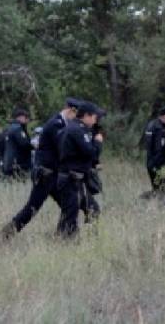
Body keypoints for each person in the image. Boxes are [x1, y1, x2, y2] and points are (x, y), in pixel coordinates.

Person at [0, 98, 80, 242]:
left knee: (70, 205)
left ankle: (66, 236)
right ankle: (4, 236)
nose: (76, 119)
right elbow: (63, 148)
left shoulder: (62, 123)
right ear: (70, 110)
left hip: (54, 175)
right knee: (32, 209)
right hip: (45, 175)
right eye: (76, 115)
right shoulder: (56, 124)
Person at [53, 101, 103, 238]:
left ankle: (90, 239)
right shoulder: (77, 130)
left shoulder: (72, 128)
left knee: (92, 209)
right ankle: (66, 243)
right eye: (94, 117)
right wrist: (98, 142)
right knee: (70, 215)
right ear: (86, 116)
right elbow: (91, 153)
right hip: (70, 180)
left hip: (75, 179)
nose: (95, 121)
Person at [140, 106, 165, 199]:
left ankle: (147, 200)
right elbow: (160, 149)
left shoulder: (151, 125)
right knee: (163, 189)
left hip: (150, 163)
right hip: (160, 165)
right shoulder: (160, 129)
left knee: (157, 188)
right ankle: (145, 199)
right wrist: (163, 166)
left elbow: (148, 146)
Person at [0, 109, 33, 179]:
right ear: (20, 117)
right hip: (18, 163)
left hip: (8, 162)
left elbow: (1, 145)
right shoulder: (18, 129)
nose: (27, 120)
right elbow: (24, 144)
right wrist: (34, 146)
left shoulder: (7, 129)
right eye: (25, 117)